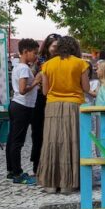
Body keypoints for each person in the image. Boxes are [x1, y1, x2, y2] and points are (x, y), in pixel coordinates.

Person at [38, 36, 90, 194]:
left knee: (52, 142)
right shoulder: (81, 64)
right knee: (71, 142)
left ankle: (50, 184)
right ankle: (69, 183)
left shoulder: (47, 65)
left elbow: (45, 91)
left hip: (52, 106)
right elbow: (86, 88)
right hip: (74, 106)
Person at [6, 38, 41, 185]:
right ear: (25, 52)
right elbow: (22, 90)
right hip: (22, 107)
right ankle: (17, 173)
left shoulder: (19, 67)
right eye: (34, 53)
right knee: (18, 141)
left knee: (13, 139)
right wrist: (36, 82)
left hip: (17, 106)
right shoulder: (24, 69)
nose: (36, 56)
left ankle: (11, 170)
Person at [32, 33, 61, 176]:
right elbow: (36, 80)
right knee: (39, 133)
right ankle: (38, 163)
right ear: (48, 47)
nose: (56, 49)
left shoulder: (63, 60)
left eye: (58, 46)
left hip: (56, 99)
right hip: (42, 99)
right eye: (54, 46)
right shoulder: (41, 62)